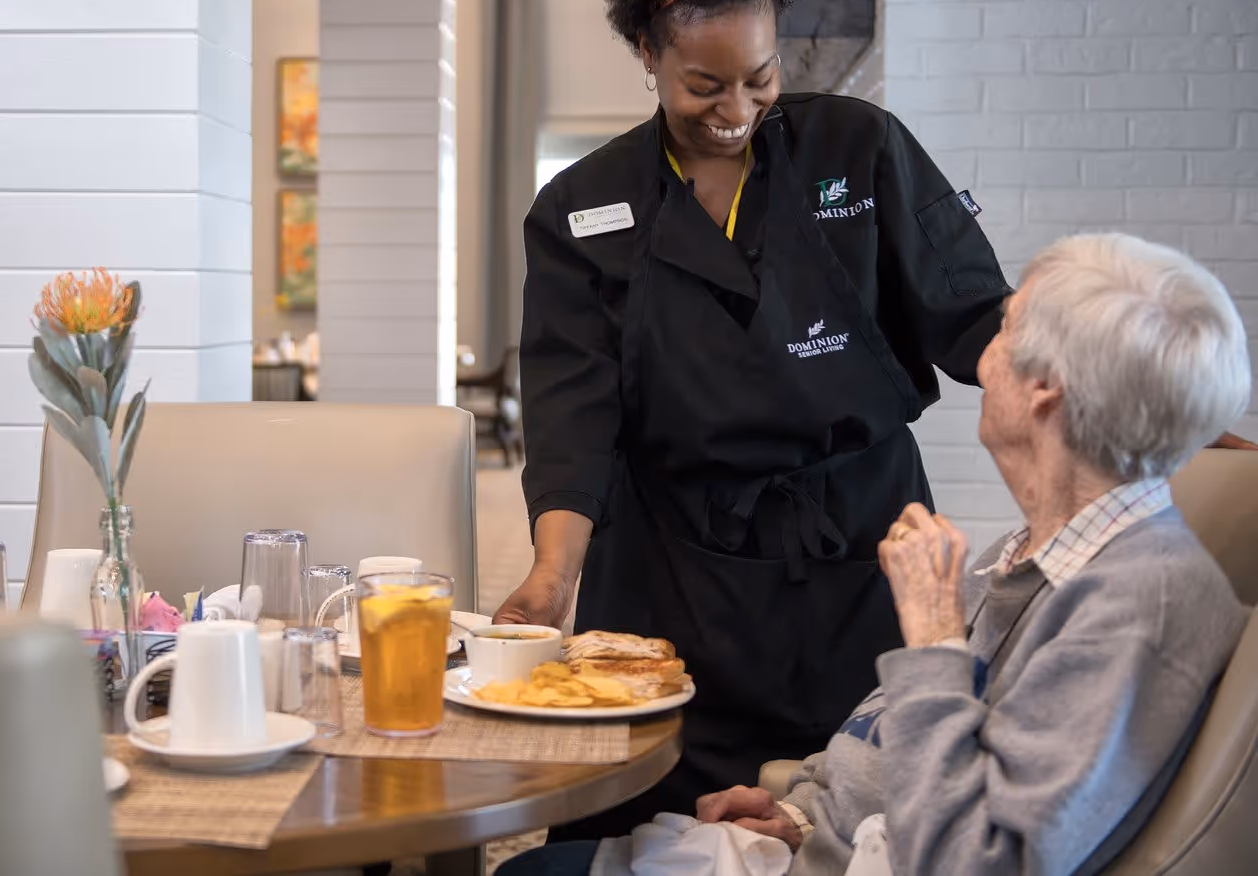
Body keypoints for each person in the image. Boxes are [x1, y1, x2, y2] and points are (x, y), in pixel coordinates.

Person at [501, 233, 1251, 876]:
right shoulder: (1040, 551)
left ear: (1045, 391)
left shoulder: (1137, 603)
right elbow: (913, 741)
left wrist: (932, 634)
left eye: (1006, 328)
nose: (983, 353)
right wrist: (803, 810)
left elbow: (971, 859)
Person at [496, 0, 1010, 835]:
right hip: (673, 576)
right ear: (647, 55)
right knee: (648, 819)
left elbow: (976, 314)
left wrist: (1129, 402)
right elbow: (575, 414)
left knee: (854, 819)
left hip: (856, 549)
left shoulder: (859, 147)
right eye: (703, 84)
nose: (736, 108)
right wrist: (550, 574)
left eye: (760, 77)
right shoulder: (582, 207)